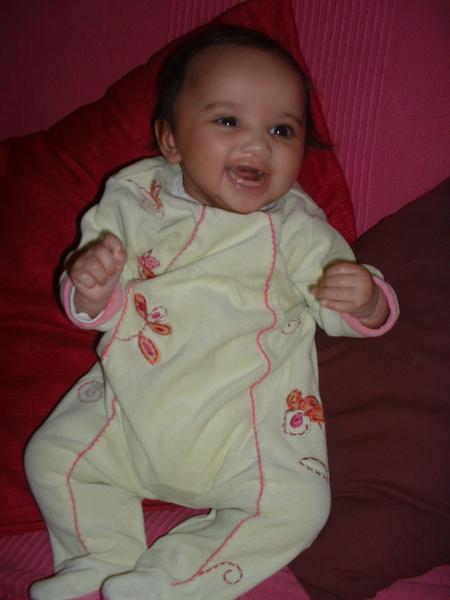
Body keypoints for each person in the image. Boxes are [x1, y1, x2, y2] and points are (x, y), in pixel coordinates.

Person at [25, 26, 398, 600]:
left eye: (282, 130)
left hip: (245, 433)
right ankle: (100, 554)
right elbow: (93, 302)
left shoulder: (296, 226)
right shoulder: (133, 197)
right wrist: (92, 286)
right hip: (129, 407)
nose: (258, 144)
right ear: (171, 141)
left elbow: (338, 302)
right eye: (228, 120)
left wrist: (366, 300)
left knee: (301, 505)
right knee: (52, 456)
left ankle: (170, 579)